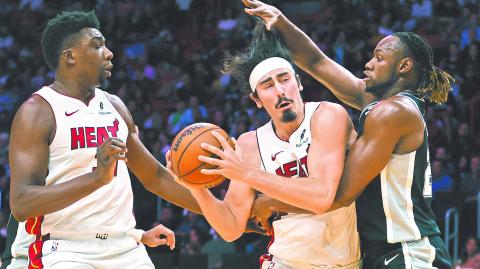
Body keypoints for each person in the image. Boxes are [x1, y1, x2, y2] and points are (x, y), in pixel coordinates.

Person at [242, 0, 454, 268]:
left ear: (404, 66)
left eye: (379, 58)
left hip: (408, 251)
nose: (368, 64)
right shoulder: (378, 103)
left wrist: (270, 202)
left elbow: (339, 194)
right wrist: (280, 20)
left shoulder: (393, 112)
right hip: (383, 252)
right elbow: (317, 62)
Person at [4, 11, 203, 269]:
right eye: (97, 46)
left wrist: (226, 212)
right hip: (61, 249)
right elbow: (21, 204)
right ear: (70, 57)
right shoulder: (37, 112)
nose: (109, 53)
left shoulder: (115, 106)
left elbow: (155, 177)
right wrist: (96, 178)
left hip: (123, 248)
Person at [168, 23, 361, 269]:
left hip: (344, 262)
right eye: (268, 85)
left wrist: (248, 174)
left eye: (285, 79)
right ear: (256, 100)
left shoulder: (327, 116)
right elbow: (230, 228)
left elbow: (321, 196)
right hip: (283, 262)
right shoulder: (250, 144)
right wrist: (195, 187)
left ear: (299, 83)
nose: (280, 91)